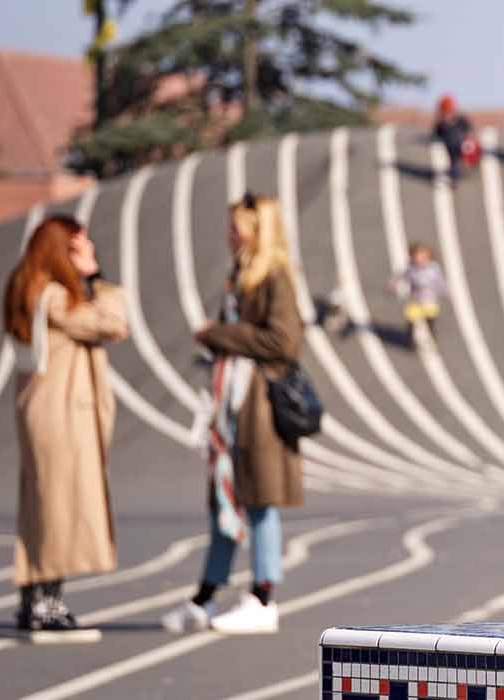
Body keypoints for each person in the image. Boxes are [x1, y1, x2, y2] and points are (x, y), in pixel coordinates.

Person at [163, 193, 306, 635]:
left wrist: (220, 335)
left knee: (261, 501)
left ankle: (263, 597)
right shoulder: (239, 277)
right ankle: (206, 594)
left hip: (259, 407)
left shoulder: (274, 278)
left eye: (235, 228)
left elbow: (284, 341)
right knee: (224, 499)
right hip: (233, 408)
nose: (228, 235)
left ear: (256, 232)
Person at [3, 214, 129, 643]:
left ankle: (33, 598)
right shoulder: (54, 296)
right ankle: (47, 604)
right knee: (57, 506)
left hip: (43, 408)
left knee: (41, 503)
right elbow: (113, 323)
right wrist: (97, 278)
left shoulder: (28, 288)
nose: (87, 252)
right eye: (78, 246)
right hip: (60, 412)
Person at [390, 242, 446, 348]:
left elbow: (440, 282)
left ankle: (431, 335)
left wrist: (444, 291)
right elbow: (402, 275)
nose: (419, 260)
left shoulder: (434, 269)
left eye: (422, 257)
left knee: (429, 319)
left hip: (429, 299)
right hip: (415, 300)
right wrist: (394, 284)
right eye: (416, 257)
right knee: (411, 319)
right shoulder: (411, 268)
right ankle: (409, 341)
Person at [433, 95, 478, 182]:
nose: (447, 114)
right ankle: (456, 171)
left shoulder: (461, 120)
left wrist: (468, 141)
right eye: (445, 112)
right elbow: (436, 135)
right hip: (453, 151)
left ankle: (464, 166)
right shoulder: (442, 125)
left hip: (465, 149)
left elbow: (470, 133)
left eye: (448, 111)